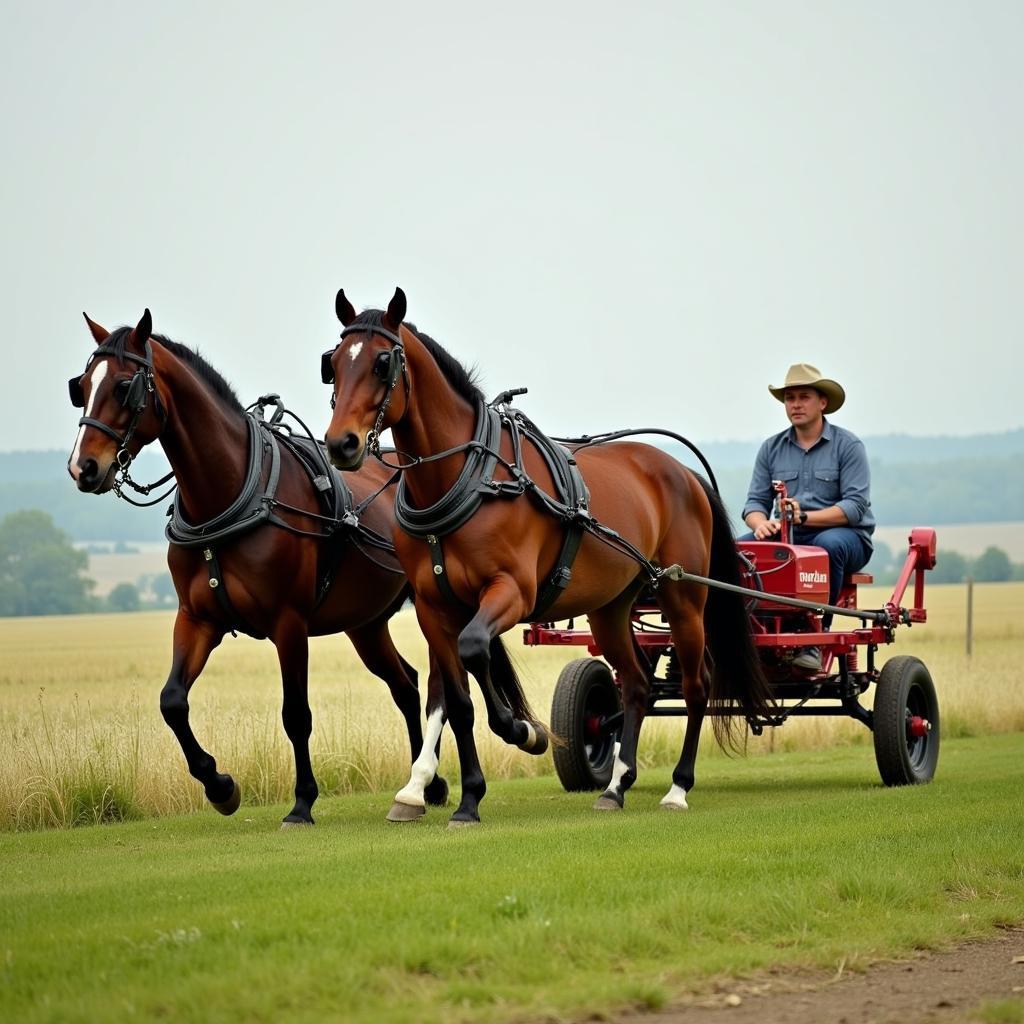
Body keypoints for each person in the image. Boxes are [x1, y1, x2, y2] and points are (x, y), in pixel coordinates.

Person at [740, 363, 875, 671]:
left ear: (822, 403)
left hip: (846, 537)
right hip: (786, 536)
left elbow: (854, 507)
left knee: (825, 548)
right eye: (790, 398)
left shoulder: (848, 446)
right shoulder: (771, 448)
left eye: (804, 397)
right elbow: (754, 504)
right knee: (739, 552)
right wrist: (761, 524)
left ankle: (813, 637)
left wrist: (803, 519)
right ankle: (750, 636)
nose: (796, 405)